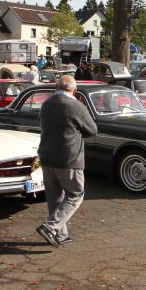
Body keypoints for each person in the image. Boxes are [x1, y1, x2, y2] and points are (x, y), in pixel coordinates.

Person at [35, 76, 98, 248]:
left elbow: (41, 124)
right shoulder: (76, 106)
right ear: (74, 90)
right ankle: (51, 227)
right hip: (69, 158)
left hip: (47, 157)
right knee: (75, 194)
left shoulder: (46, 104)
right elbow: (92, 130)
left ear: (56, 87)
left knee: (54, 198)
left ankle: (60, 235)